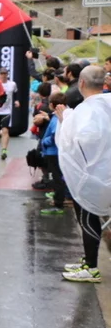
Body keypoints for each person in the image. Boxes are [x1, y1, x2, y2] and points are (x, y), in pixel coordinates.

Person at [59, 65, 110, 283]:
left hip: (92, 177)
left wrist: (65, 119)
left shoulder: (85, 111)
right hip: (106, 173)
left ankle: (91, 267)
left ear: (81, 83)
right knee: (90, 217)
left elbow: (80, 139)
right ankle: (87, 260)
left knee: (87, 217)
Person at [39, 91, 67, 219]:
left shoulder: (56, 120)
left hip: (53, 152)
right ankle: (58, 196)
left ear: (51, 105)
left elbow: (55, 135)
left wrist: (44, 142)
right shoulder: (57, 117)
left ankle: (58, 204)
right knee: (58, 177)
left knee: (57, 178)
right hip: (55, 152)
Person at [0, 66, 18, 161]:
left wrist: (16, 101)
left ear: (7, 75)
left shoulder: (12, 84)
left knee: (5, 131)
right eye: (2, 74)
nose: (3, 76)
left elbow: (15, 93)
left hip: (6, 111)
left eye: (5, 74)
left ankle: (4, 151)